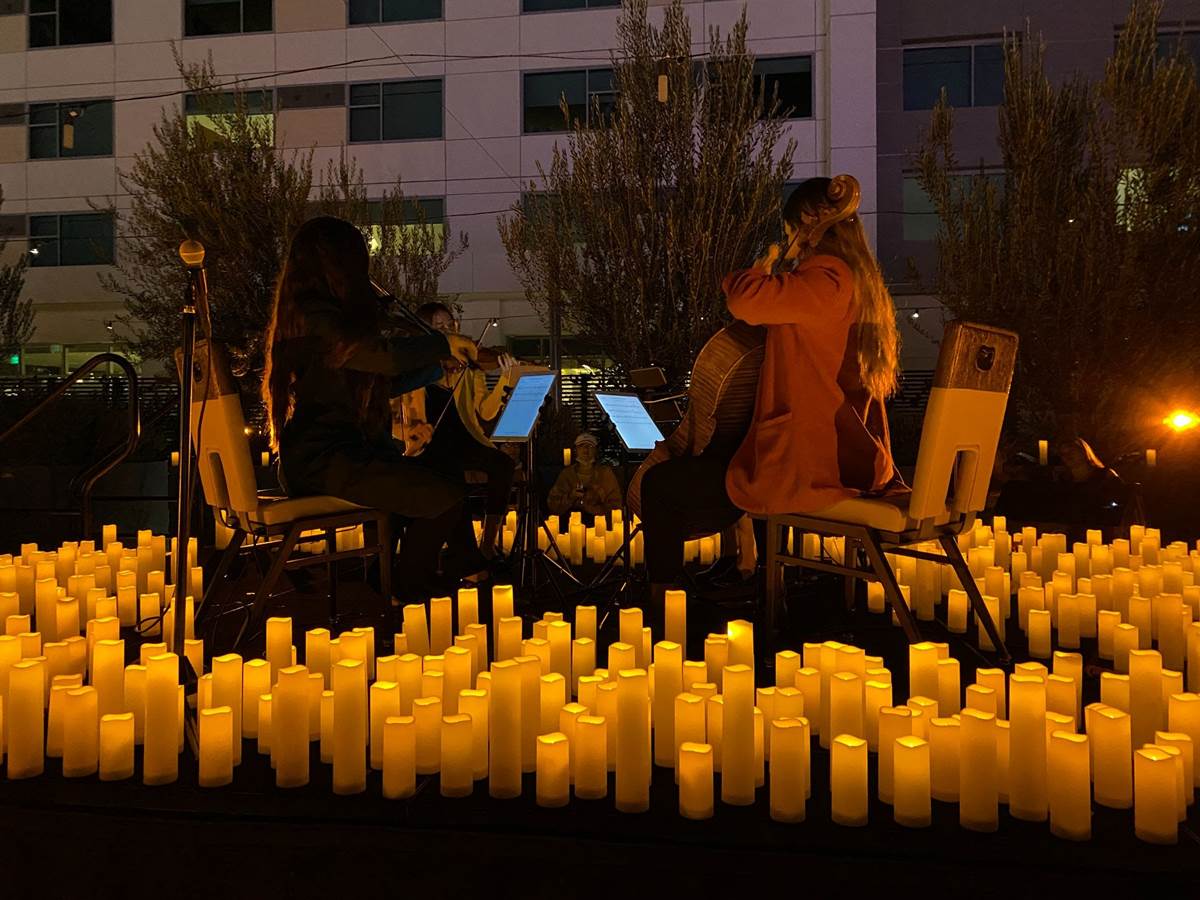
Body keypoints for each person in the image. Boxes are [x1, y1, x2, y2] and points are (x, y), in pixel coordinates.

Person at [640, 176, 903, 603]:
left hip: (811, 463)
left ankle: (662, 608)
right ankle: (755, 580)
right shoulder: (859, 284)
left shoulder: (829, 279)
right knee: (712, 476)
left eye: (789, 230)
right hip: (840, 454)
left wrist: (764, 266)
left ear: (809, 224)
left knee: (661, 485)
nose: (788, 240)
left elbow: (745, 301)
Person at [261, 216, 481, 602]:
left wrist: (435, 367)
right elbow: (383, 357)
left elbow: (379, 383)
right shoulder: (315, 317)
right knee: (443, 496)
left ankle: (401, 579)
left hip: (332, 456)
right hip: (325, 462)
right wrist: (441, 343)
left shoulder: (314, 316)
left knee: (442, 477)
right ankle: (408, 588)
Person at [394, 302, 519, 558]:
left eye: (451, 325)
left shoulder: (468, 365)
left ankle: (487, 544)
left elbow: (486, 412)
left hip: (464, 438)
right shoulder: (414, 367)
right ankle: (459, 553)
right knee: (449, 478)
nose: (448, 331)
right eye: (440, 327)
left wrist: (504, 380)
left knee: (503, 465)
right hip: (427, 443)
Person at [546, 432, 623, 522]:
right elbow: (553, 505)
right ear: (576, 450)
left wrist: (593, 507)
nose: (585, 449)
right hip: (570, 523)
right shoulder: (567, 474)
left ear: (595, 450)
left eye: (590, 446)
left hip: (599, 523)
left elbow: (615, 505)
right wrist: (571, 497)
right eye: (581, 446)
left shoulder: (605, 474)